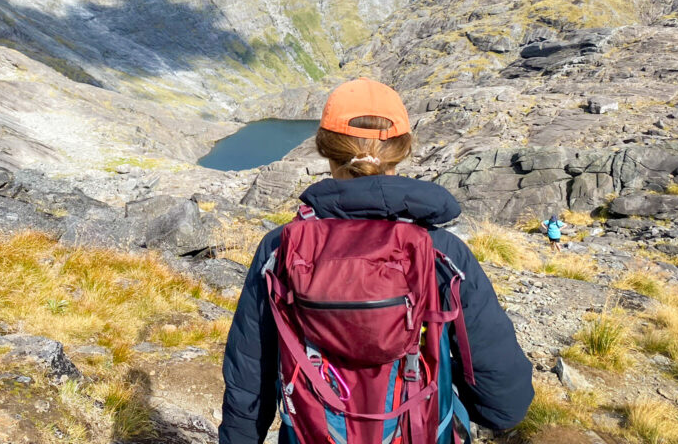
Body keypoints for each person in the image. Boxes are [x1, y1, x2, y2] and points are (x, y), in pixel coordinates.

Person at [219, 78, 534, 444]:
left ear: (325, 148)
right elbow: (504, 405)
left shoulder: (280, 248)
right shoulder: (441, 251)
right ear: (402, 150)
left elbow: (248, 377)